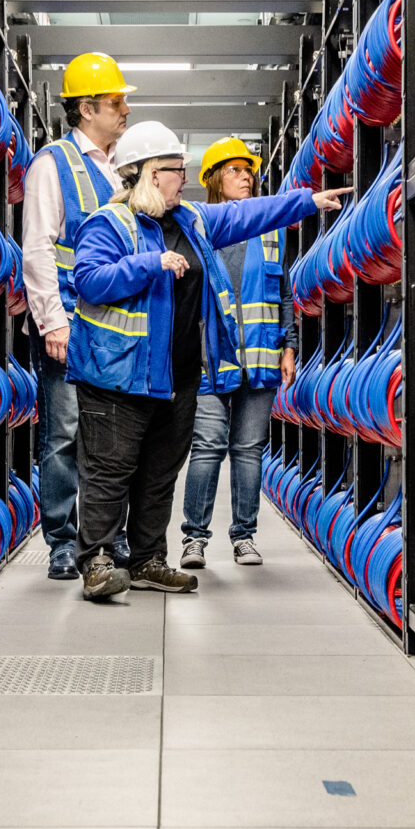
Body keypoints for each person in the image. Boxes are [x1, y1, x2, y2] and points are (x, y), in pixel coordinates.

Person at [65, 121, 348, 600]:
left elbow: (246, 216)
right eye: (177, 170)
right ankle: (97, 562)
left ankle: (148, 561)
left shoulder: (193, 221)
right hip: (116, 377)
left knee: (159, 475)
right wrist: (148, 265)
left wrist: (306, 201)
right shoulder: (109, 224)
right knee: (110, 474)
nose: (185, 178)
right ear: (152, 173)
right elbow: (89, 280)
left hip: (176, 377)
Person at [20, 51, 134, 578]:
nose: (125, 109)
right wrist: (53, 322)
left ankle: (108, 537)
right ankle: (64, 542)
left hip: (117, 332)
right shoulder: (53, 163)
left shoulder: (121, 168)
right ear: (87, 108)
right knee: (64, 436)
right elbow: (39, 248)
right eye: (116, 101)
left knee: (113, 439)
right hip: (70, 327)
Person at [178, 138, 287, 569]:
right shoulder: (197, 230)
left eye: (249, 170)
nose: (246, 177)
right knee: (207, 446)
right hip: (209, 359)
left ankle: (244, 536)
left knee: (248, 449)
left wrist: (290, 346)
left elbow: (285, 294)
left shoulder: (269, 230)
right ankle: (194, 539)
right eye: (235, 170)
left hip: (260, 361)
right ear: (214, 181)